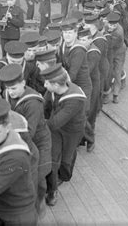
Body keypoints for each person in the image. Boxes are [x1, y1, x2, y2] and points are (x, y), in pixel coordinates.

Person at [0, 63, 52, 212]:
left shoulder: (33, 102)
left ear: (23, 83)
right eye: (8, 89)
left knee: (38, 176)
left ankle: (38, 204)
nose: (10, 93)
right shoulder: (6, 94)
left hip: (38, 141)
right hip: (21, 139)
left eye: (14, 88)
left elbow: (29, 132)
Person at [41, 64, 86, 206]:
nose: (44, 85)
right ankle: (52, 190)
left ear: (55, 84)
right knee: (53, 158)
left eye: (47, 83)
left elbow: (54, 123)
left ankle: (65, 175)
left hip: (72, 130)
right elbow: (44, 105)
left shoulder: (75, 98)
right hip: (56, 128)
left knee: (67, 157)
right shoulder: (53, 90)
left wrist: (38, 125)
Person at [106, 12, 126, 104]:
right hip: (111, 50)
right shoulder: (107, 25)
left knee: (116, 71)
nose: (110, 26)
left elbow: (110, 45)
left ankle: (115, 94)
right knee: (109, 70)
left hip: (118, 51)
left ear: (117, 24)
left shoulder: (118, 32)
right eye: (110, 24)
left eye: (113, 25)